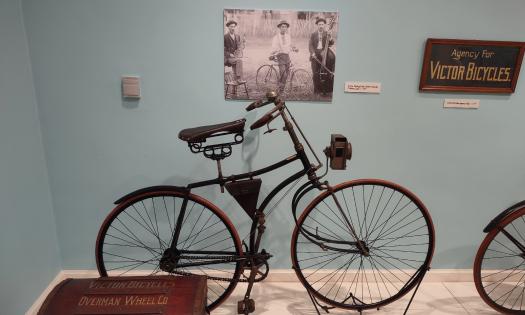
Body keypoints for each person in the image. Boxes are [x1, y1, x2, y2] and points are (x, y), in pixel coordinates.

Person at [308, 17, 336, 96]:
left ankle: (326, 90)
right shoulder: (313, 34)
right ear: (317, 25)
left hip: (324, 53)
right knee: (315, 72)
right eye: (319, 24)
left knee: (326, 72)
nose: (321, 26)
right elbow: (310, 45)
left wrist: (330, 37)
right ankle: (316, 91)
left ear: (324, 25)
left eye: (322, 24)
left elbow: (331, 43)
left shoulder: (327, 33)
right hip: (315, 54)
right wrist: (312, 53)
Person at [270, 20, 298, 94]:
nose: (284, 28)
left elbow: (291, 45)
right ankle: (281, 90)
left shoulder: (288, 36)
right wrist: (274, 52)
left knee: (287, 74)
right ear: (279, 28)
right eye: (282, 27)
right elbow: (273, 48)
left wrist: (294, 48)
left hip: (287, 56)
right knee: (284, 74)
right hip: (280, 56)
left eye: (285, 27)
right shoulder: (276, 38)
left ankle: (281, 88)